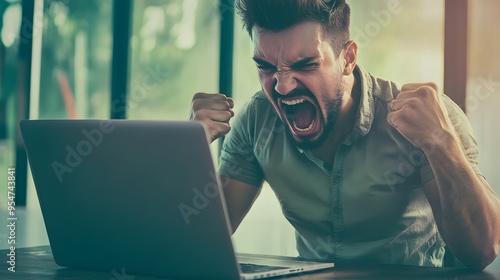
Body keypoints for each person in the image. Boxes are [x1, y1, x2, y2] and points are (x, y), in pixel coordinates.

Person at [189, 0, 500, 270]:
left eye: (305, 64)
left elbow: (482, 252)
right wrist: (190, 145)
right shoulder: (257, 120)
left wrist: (443, 143)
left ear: (348, 58)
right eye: (266, 67)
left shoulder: (428, 119)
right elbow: (199, 242)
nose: (282, 86)